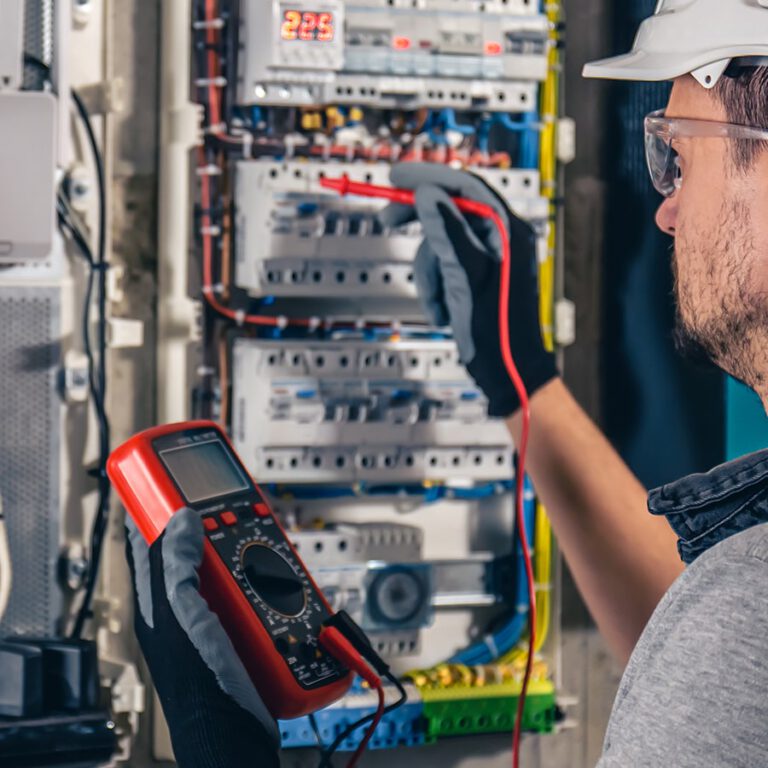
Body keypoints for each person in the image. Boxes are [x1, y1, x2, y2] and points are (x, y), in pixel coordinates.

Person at [127, 1, 768, 765]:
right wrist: (518, 376)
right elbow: (696, 666)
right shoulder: (734, 617)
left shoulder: (745, 606)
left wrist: (218, 746)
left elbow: (720, 651)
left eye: (679, 158)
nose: (666, 212)